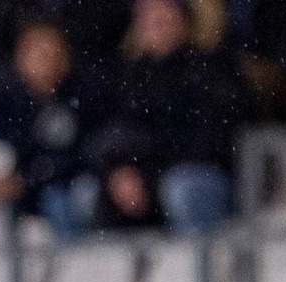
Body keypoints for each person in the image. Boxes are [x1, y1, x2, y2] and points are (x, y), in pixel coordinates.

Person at [79, 0, 246, 235]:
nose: (158, 25)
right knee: (85, 192)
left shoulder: (212, 69)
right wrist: (117, 172)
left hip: (198, 176)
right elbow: (106, 134)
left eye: (166, 18)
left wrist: (149, 178)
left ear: (185, 21)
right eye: (150, 18)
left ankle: (199, 266)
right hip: (142, 177)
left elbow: (211, 142)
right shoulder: (126, 76)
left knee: (181, 188)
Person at [0, 18, 106, 239]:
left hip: (66, 189)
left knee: (64, 199)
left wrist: (27, 181)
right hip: (28, 199)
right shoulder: (9, 101)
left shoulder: (85, 96)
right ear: (20, 59)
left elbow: (84, 155)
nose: (46, 62)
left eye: (51, 53)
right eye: (37, 54)